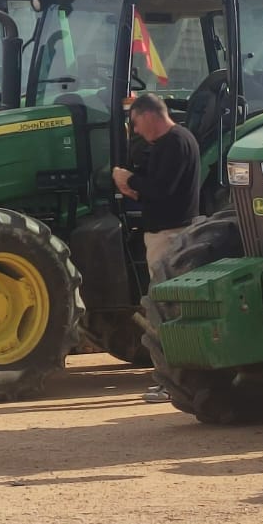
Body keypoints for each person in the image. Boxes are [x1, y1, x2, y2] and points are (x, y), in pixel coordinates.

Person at [111, 93, 200, 404]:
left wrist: (129, 178)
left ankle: (172, 380)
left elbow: (162, 190)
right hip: (169, 231)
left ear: (148, 115)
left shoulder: (174, 143)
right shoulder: (176, 141)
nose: (135, 131)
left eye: (135, 123)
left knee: (166, 311)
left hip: (169, 235)